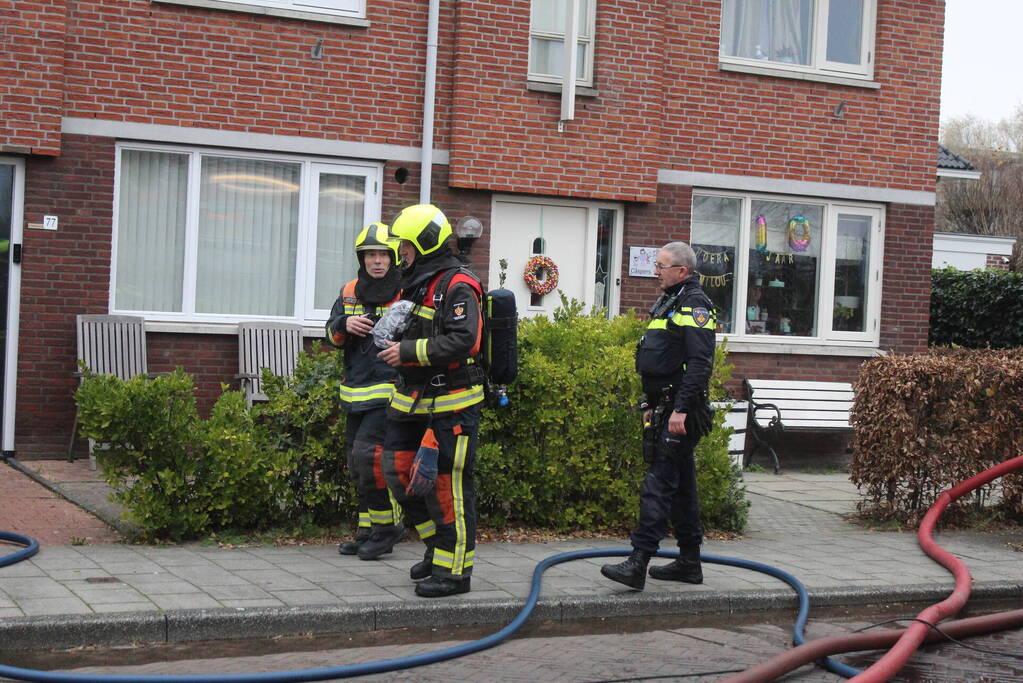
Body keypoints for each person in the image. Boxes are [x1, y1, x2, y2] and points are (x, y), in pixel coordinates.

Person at [377, 203, 485, 598]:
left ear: (423, 243)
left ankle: (454, 572)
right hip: (415, 398)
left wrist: (407, 351)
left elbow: (465, 340)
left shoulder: (458, 284)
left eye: (405, 246)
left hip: (452, 401)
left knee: (447, 485)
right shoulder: (419, 282)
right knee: (396, 469)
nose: (400, 253)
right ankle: (436, 546)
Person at [600, 241, 716, 591]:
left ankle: (638, 562)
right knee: (682, 489)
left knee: (658, 484)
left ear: (682, 271)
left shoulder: (695, 304)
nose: (655, 271)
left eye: (661, 266)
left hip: (680, 410)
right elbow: (660, 358)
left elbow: (699, 363)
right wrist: (650, 403)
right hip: (665, 406)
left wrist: (680, 409)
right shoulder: (671, 301)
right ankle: (689, 563)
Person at [325, 222, 405, 560]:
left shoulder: (406, 291)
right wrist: (344, 325)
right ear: (362, 259)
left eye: (383, 255)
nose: (377, 261)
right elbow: (331, 335)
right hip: (356, 393)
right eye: (370, 255)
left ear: (393, 258)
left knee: (370, 459)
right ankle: (367, 532)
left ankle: (387, 530)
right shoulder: (349, 291)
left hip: (389, 393)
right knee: (357, 464)